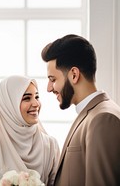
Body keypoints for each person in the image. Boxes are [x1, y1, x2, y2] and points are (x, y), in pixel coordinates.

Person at [41, 34, 120, 186]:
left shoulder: (102, 119)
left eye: (53, 79)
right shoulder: (94, 114)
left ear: (74, 75)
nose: (49, 88)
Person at [0, 75, 60, 186]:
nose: (36, 104)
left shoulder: (50, 146)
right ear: (8, 105)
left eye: (37, 97)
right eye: (27, 98)